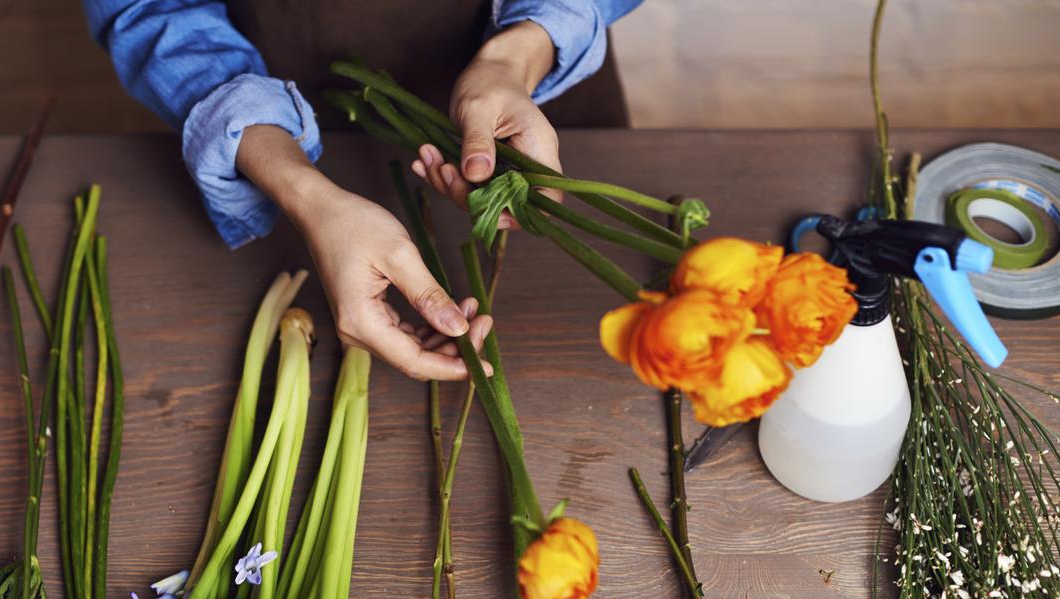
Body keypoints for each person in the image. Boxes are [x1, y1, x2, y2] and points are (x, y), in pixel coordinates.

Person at [81, 0, 642, 380]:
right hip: (267, 106)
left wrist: (515, 57)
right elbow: (151, 9)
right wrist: (301, 189)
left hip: (531, 101)